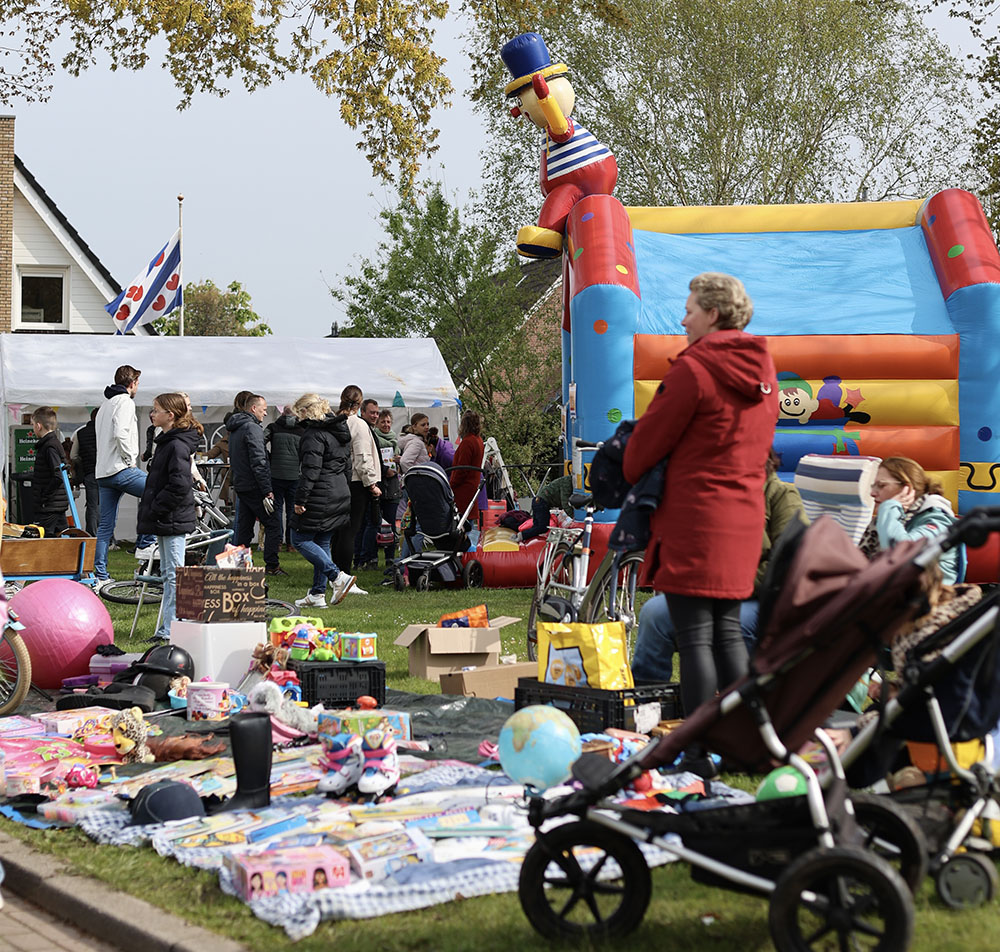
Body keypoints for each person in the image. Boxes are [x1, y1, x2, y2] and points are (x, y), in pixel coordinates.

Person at [622, 272, 779, 778]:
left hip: (695, 517)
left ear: (713, 314)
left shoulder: (694, 370)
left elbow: (645, 448)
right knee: (728, 633)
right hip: (743, 517)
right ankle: (748, 741)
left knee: (693, 637)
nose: (682, 316)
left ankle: (694, 750)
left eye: (690, 308)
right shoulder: (765, 372)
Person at [631, 449, 808, 683]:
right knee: (655, 613)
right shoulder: (714, 494)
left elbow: (789, 563)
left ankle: (735, 704)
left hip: (761, 601)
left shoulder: (781, 495)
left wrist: (727, 583)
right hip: (707, 592)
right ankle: (646, 702)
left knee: (728, 625)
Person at [137, 393, 203, 642]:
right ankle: (167, 628)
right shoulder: (166, 442)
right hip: (166, 517)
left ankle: (172, 629)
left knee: (175, 576)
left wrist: (156, 506)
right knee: (168, 574)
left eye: (156, 410)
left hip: (172, 517)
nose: (152, 414)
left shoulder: (175, 445)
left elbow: (179, 485)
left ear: (170, 415)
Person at [289, 393, 356, 608]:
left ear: (307, 411)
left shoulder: (313, 434)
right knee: (322, 542)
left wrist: (300, 499)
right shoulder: (340, 431)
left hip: (320, 493)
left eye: (300, 412)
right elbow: (346, 466)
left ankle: (338, 577)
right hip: (339, 491)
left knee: (299, 538)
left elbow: (311, 470)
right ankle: (318, 594)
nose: (299, 418)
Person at [94, 364, 157, 580]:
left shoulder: (105, 405)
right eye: (138, 383)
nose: (138, 386)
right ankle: (145, 544)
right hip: (120, 468)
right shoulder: (125, 402)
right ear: (132, 383)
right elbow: (121, 433)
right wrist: (130, 459)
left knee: (105, 526)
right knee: (158, 491)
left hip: (103, 472)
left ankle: (100, 576)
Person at [859, 456, 961, 584]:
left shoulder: (938, 521)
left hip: (927, 600)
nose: (872, 493)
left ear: (906, 489)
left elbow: (900, 553)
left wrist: (889, 507)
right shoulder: (895, 519)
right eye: (873, 486)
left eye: (881, 485)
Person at [227, 393, 285, 576]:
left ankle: (237, 567)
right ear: (254, 408)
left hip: (242, 485)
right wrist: (267, 489)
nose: (265, 414)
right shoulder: (252, 428)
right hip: (255, 486)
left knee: (243, 529)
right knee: (274, 524)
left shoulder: (235, 428)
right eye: (264, 410)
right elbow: (259, 461)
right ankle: (272, 565)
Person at [336, 385, 381, 594]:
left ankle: (335, 574)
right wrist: (371, 483)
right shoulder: (358, 425)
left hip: (336, 480)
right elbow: (363, 457)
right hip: (356, 482)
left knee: (338, 531)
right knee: (349, 531)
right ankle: (343, 577)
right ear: (359, 403)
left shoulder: (335, 420)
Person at [265, 407, 304, 551]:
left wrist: (268, 457)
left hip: (276, 474)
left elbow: (259, 441)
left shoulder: (273, 427)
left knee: (276, 510)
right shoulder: (302, 430)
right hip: (295, 475)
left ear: (282, 413)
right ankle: (291, 543)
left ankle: (277, 542)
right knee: (292, 511)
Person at [30, 406, 69, 538]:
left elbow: (57, 475)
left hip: (49, 505)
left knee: (43, 540)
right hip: (56, 503)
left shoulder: (49, 446)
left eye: (33, 425)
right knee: (62, 538)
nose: (33, 428)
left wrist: (44, 496)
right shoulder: (53, 443)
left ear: (39, 426)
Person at [353, 398, 383, 570]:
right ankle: (364, 558)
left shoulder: (370, 430)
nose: (375, 416)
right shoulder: (363, 429)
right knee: (370, 522)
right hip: (364, 482)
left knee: (364, 523)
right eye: (372, 412)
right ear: (362, 412)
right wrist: (372, 484)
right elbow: (364, 458)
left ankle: (360, 558)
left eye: (377, 413)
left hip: (367, 480)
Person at [373, 409, 402, 565]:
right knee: (375, 524)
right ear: (377, 423)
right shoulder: (373, 439)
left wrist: (399, 461)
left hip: (392, 489)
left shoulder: (395, 441)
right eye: (383, 421)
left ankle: (390, 557)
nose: (386, 424)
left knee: (391, 524)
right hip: (378, 486)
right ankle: (373, 557)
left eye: (388, 421)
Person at [449, 411, 485, 528]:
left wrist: (451, 484)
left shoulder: (468, 442)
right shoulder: (478, 440)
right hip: (472, 485)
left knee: (463, 523)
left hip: (463, 488)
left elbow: (462, 469)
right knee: (469, 520)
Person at [518, 473, 575, 543]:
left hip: (538, 501)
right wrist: (573, 516)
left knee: (537, 526)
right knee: (542, 527)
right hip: (542, 503)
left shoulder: (567, 481)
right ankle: (521, 536)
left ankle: (524, 538)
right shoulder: (567, 483)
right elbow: (565, 503)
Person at [70, 408, 99, 536]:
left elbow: (73, 455)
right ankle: (107, 537)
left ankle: (92, 535)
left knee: (92, 506)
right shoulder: (105, 431)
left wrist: (83, 462)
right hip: (106, 472)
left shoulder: (80, 433)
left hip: (89, 473)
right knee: (107, 506)